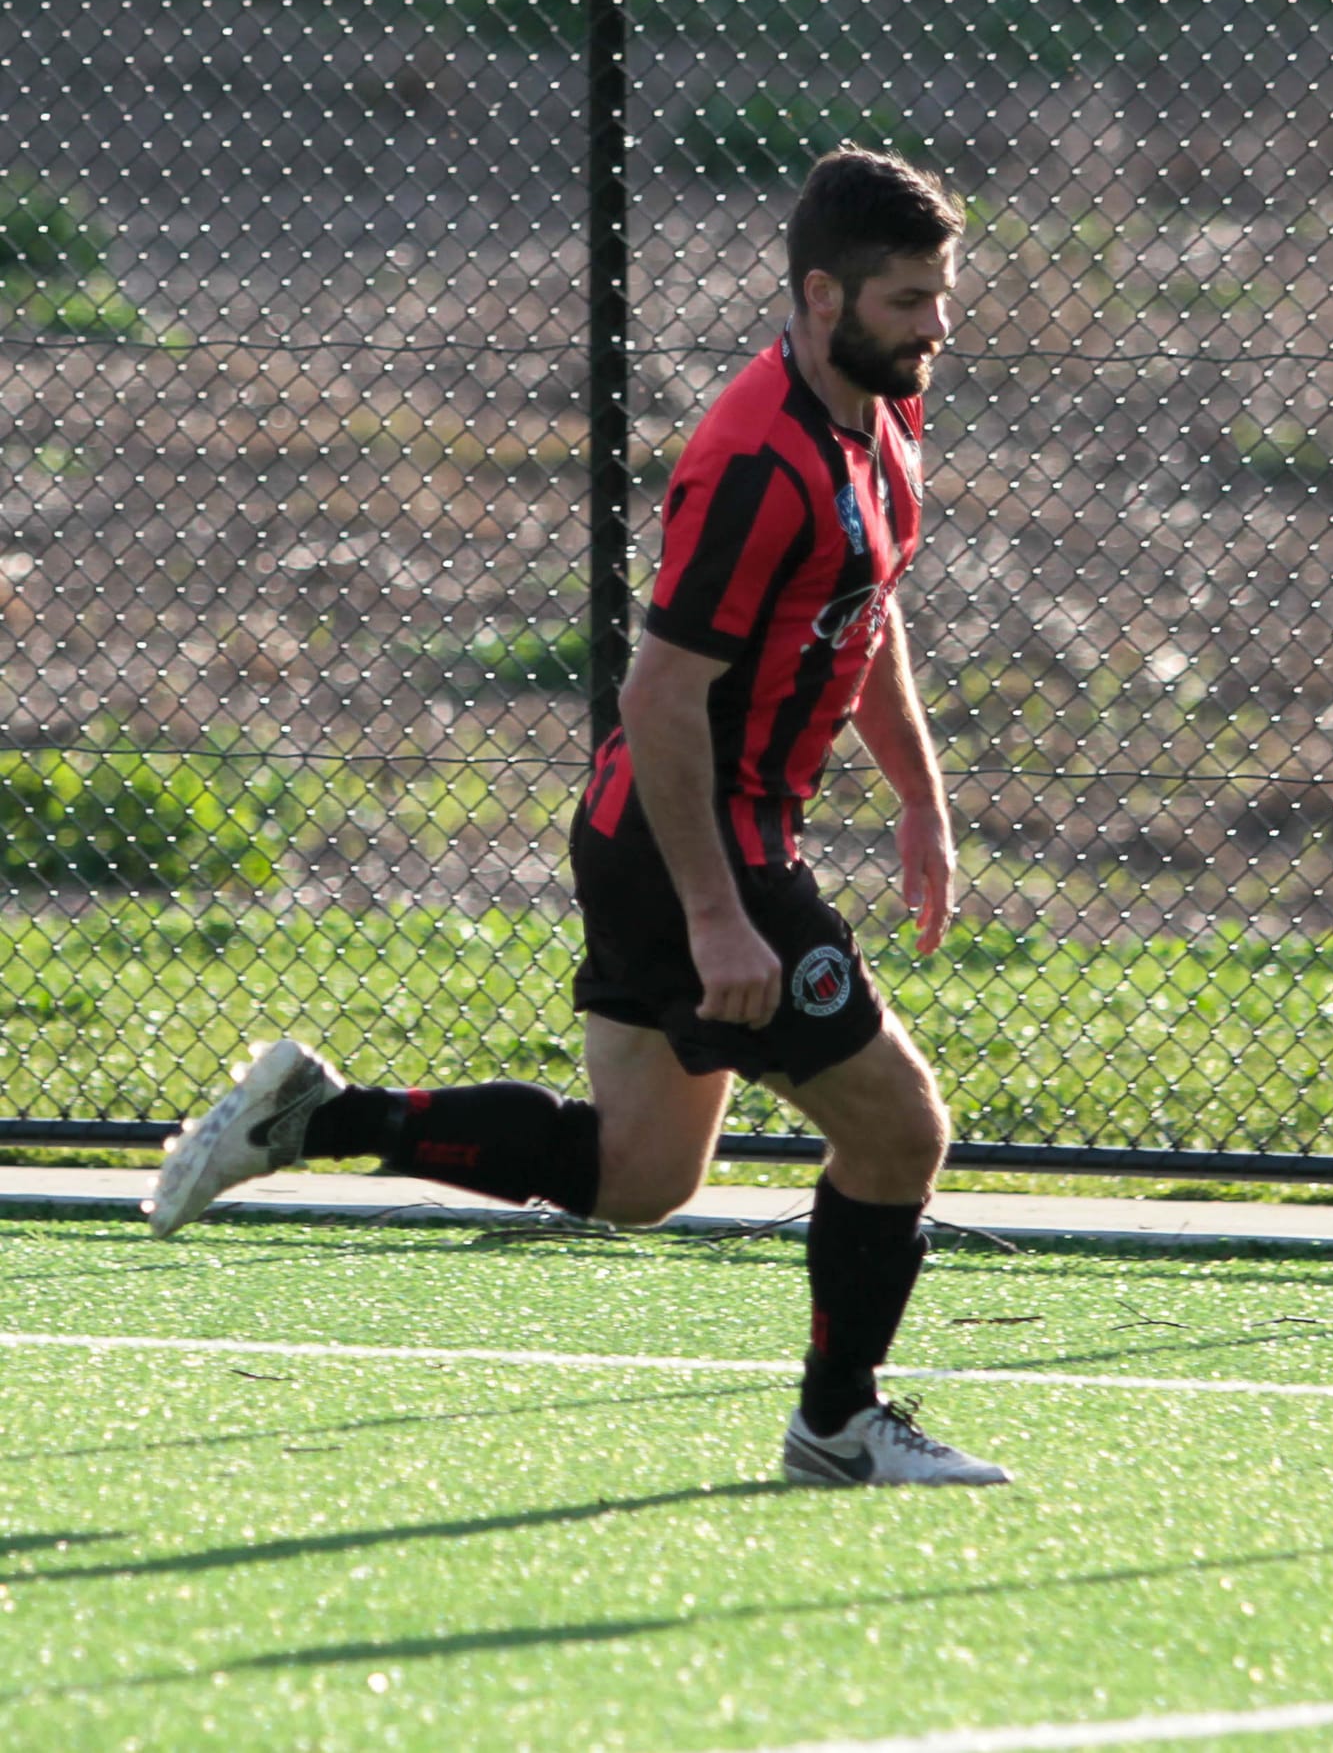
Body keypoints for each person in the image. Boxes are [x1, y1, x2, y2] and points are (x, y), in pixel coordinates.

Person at [147, 144, 1008, 1489]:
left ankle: (315, 1118)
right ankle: (840, 1422)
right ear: (824, 299)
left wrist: (918, 795)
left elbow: (865, 610)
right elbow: (660, 694)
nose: (937, 326)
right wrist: (721, 913)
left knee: (640, 1174)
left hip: (680, 841)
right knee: (900, 1129)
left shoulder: (884, 418)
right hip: (692, 848)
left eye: (944, 295)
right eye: (910, 300)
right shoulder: (760, 459)